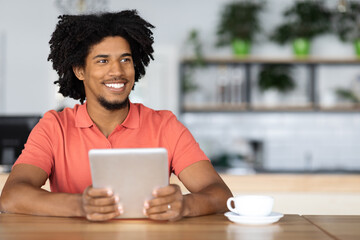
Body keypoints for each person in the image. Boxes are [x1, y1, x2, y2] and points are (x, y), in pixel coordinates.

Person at [0, 10, 232, 221]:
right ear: (80, 70)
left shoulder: (165, 125)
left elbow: (221, 195)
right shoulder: (54, 127)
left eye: (125, 60)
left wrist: (185, 205)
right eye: (103, 61)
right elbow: (11, 197)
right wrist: (80, 205)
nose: (117, 71)